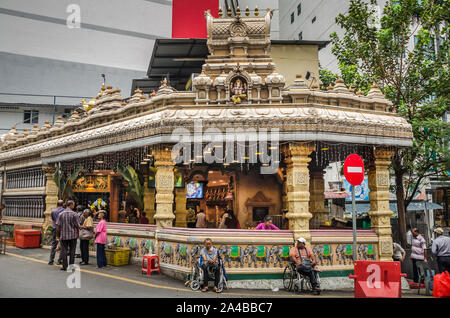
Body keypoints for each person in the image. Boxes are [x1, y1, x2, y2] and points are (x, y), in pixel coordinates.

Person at [55, 200, 80, 271]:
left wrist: (57, 235)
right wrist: (78, 232)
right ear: (71, 205)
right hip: (73, 235)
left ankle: (64, 266)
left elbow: (58, 226)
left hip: (64, 235)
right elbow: (77, 225)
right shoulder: (74, 214)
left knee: (64, 251)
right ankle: (71, 267)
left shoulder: (61, 214)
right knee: (72, 251)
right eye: (73, 204)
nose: (74, 206)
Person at [48, 200, 65, 265]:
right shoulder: (64, 211)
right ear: (63, 204)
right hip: (62, 229)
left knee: (54, 244)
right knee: (63, 244)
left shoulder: (53, 211)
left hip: (55, 228)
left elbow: (53, 219)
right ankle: (59, 260)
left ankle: (51, 260)